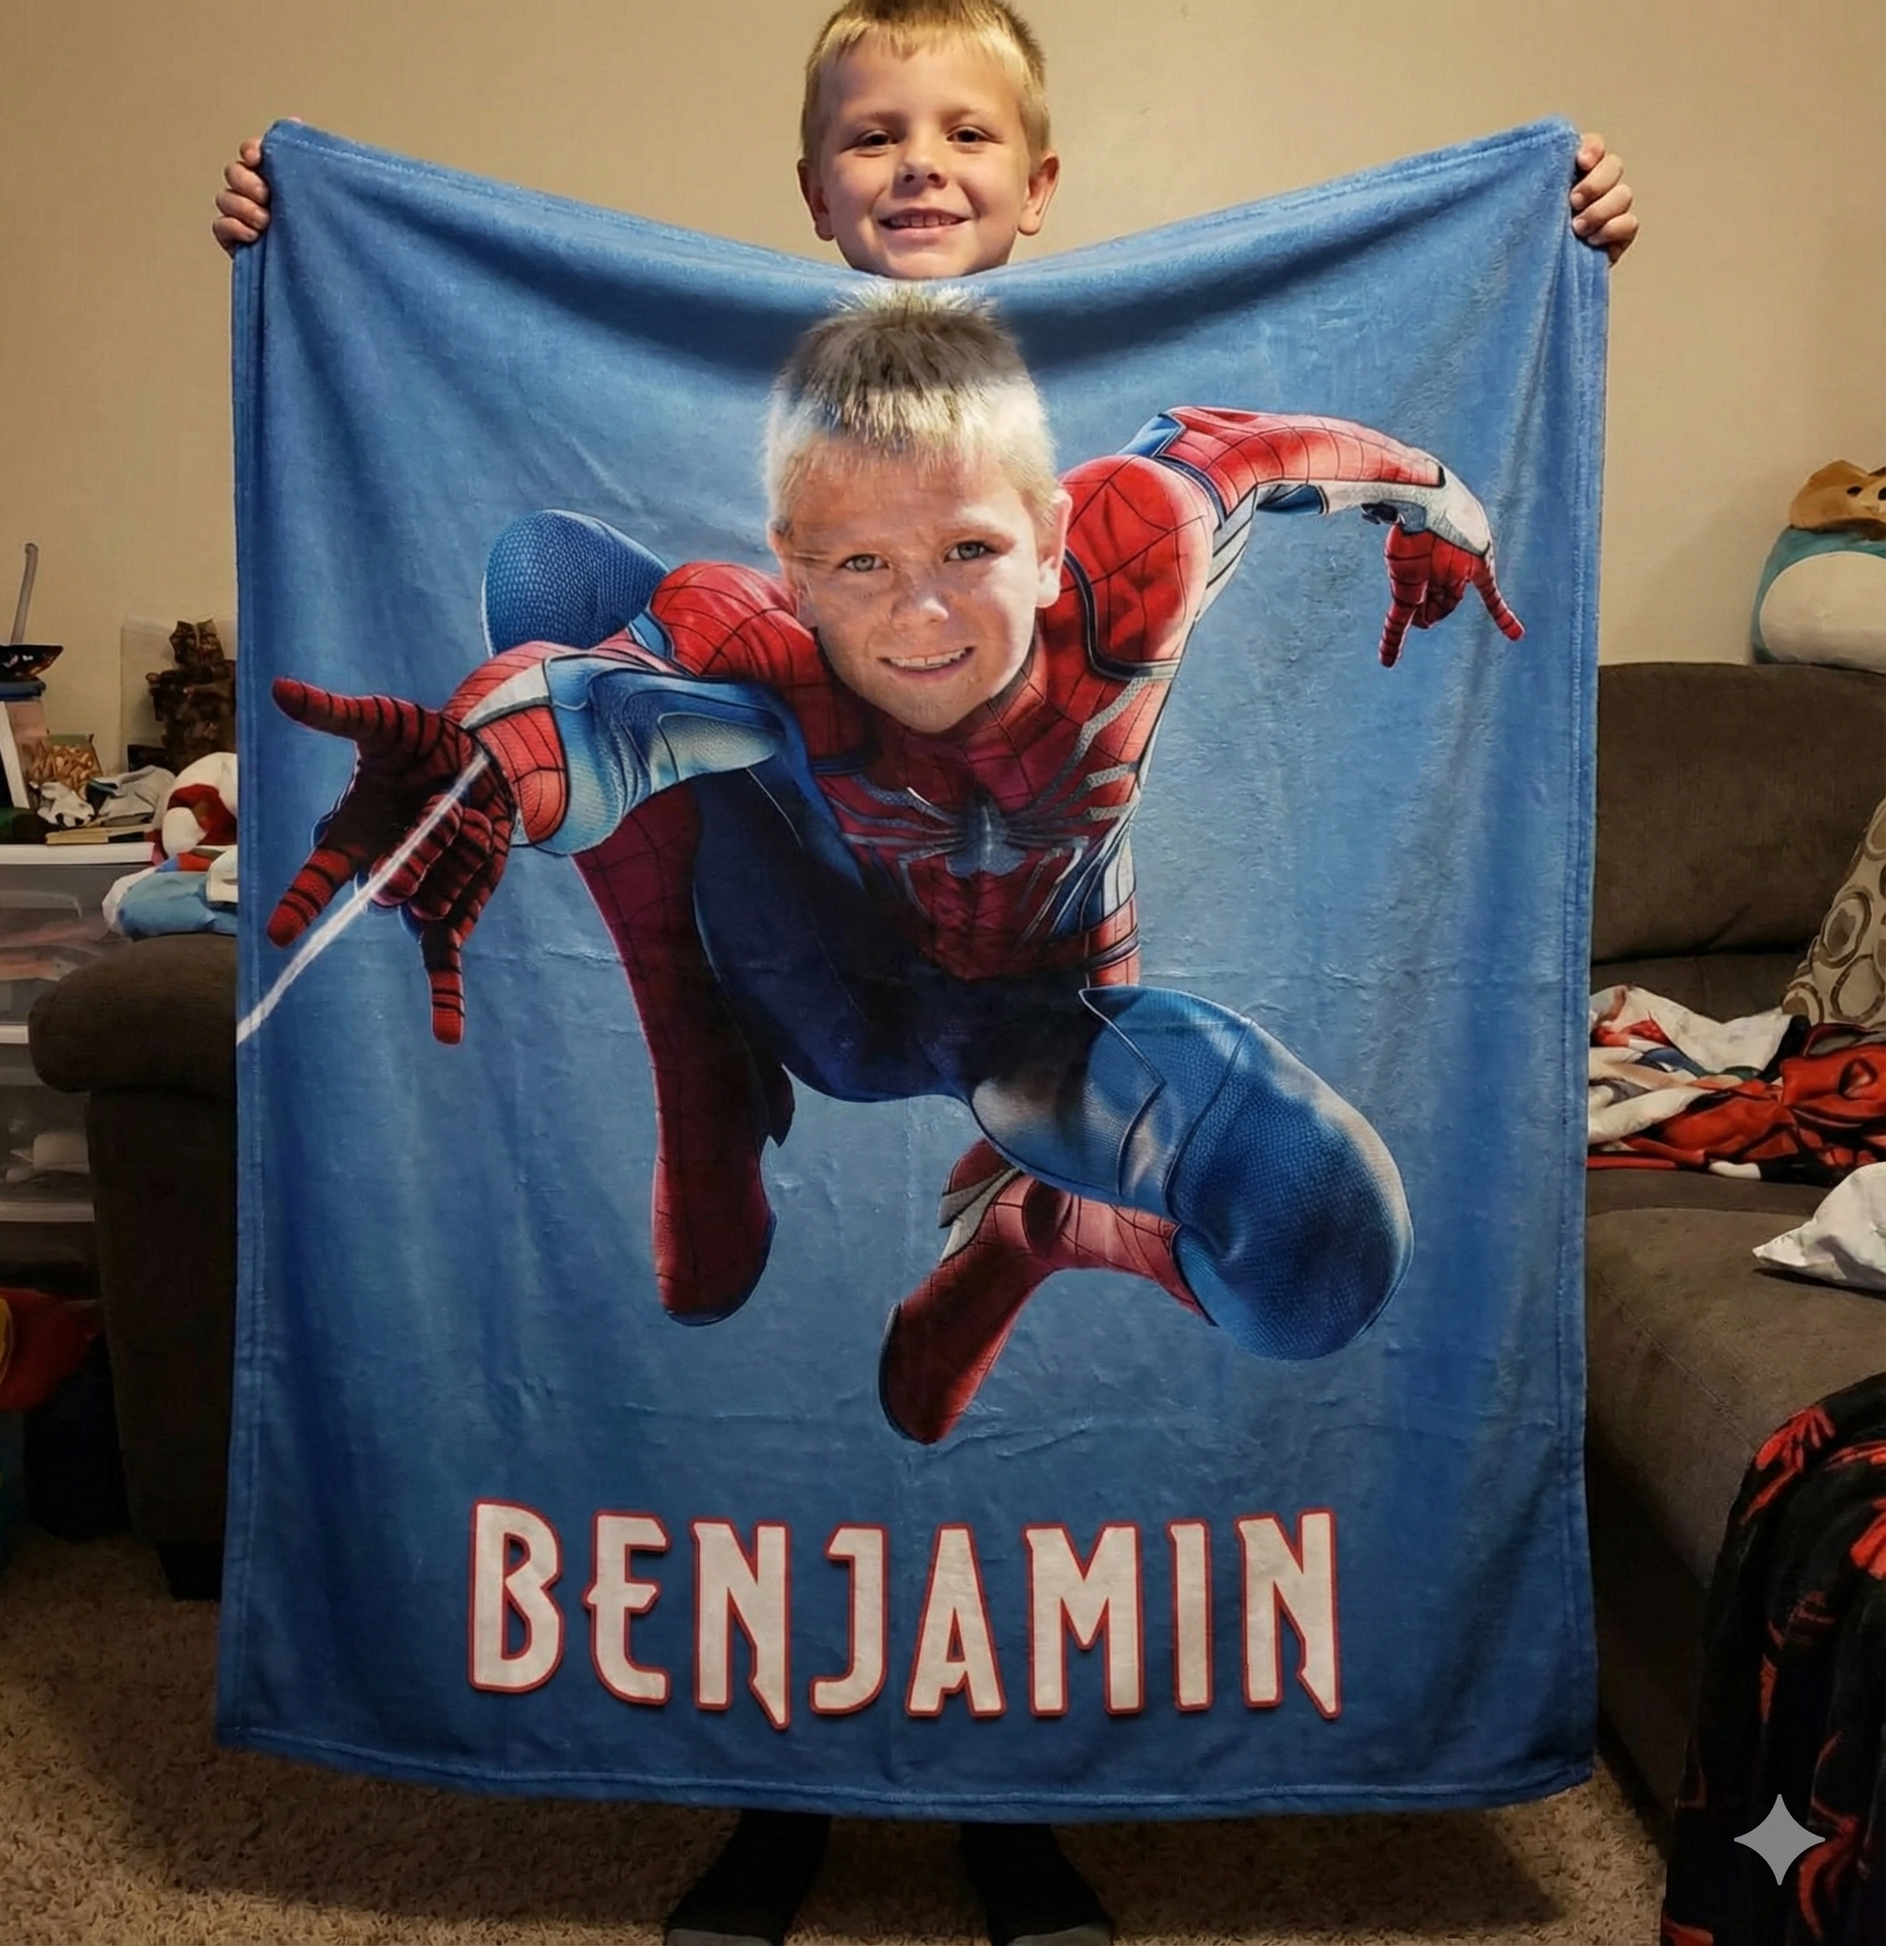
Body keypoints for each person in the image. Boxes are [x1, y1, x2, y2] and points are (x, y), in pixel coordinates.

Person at [221, 6, 1636, 1944]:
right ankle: (692, 1067)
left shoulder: (1142, 532)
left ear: (1057, 536)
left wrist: (1479, 432)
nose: (925, 609)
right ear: (801, 566)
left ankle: (1052, 1255)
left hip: (1027, 1019)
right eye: (861, 570)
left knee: (1320, 1233)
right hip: (806, 973)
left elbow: (1313, 444)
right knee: (568, 584)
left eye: (972, 547)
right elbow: (586, 709)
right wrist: (464, 769)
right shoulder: (757, 629)